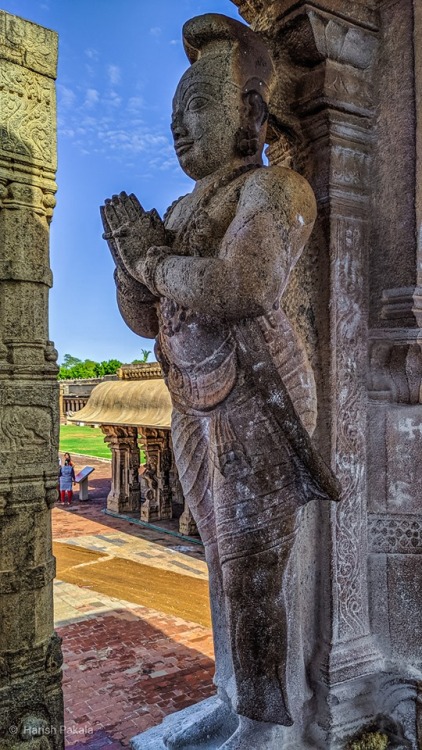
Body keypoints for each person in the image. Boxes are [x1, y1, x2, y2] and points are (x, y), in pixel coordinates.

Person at [101, 13, 340, 749]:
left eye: (198, 107)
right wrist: (127, 255)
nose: (179, 127)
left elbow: (243, 284)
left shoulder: (276, 189)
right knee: (218, 554)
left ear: (252, 116)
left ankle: (268, 722)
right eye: (175, 112)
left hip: (259, 402)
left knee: (253, 567)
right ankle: (233, 693)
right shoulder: (182, 208)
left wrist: (150, 261)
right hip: (196, 398)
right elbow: (145, 318)